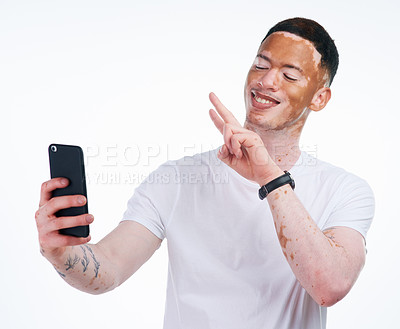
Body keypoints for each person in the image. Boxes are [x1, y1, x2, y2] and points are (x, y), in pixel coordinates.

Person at [35, 17, 374, 329]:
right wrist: (60, 254)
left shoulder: (345, 190)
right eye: (261, 64)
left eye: (289, 75)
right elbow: (107, 269)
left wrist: (269, 175)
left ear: (319, 98)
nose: (267, 80)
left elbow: (329, 286)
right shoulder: (176, 179)